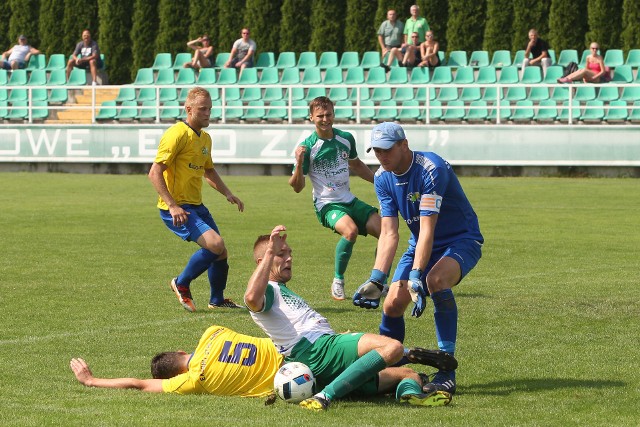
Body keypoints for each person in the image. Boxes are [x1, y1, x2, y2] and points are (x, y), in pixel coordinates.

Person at [244, 225, 458, 411]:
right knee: (392, 347)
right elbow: (252, 299)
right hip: (319, 351)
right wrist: (271, 250)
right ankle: (325, 396)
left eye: (289, 252)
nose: (289, 257)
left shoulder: (279, 290)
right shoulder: (269, 289)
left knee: (410, 375)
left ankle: (409, 395)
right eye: (281, 254)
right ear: (264, 260)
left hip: (325, 362)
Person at [352, 122, 483, 397]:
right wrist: (377, 278)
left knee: (435, 280)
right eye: (376, 151)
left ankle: (446, 371)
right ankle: (392, 367)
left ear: (404, 145)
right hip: (420, 242)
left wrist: (416, 275)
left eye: (387, 150)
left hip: (460, 239)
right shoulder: (382, 177)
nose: (381, 156)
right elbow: (388, 232)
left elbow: (427, 229)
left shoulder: (431, 169)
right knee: (392, 302)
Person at [148, 87, 244, 312]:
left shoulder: (206, 138)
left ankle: (217, 300)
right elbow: (154, 172)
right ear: (188, 109)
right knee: (215, 245)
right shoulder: (177, 134)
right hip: (177, 207)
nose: (207, 113)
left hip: (196, 205)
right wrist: (172, 206)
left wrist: (228, 193)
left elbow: (208, 172)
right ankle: (181, 282)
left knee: (221, 251)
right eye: (202, 109)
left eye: (210, 109)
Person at [289, 96, 381, 301]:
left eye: (328, 114)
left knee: (386, 232)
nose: (325, 119)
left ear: (333, 114)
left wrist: (378, 182)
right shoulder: (307, 146)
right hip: (327, 204)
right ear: (311, 117)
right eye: (320, 115)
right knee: (350, 231)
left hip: (349, 199)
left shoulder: (346, 138)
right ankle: (338, 281)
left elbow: (356, 165)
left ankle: (378, 281)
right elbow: (297, 187)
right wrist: (298, 162)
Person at [70, 324, 283, 397]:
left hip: (290, 376)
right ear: (181, 351)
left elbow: (138, 384)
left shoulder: (194, 380)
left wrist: (91, 380)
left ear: (177, 377)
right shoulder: (213, 331)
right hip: (294, 346)